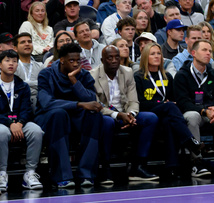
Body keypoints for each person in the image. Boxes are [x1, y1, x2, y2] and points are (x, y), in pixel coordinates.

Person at [36, 42, 105, 188]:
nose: (75, 64)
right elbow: (46, 103)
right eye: (71, 61)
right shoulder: (46, 74)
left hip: (75, 117)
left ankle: (86, 174)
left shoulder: (84, 75)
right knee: (59, 114)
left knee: (94, 115)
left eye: (78, 61)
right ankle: (62, 176)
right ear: (61, 60)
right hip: (50, 117)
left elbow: (91, 100)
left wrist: (74, 81)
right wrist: (78, 104)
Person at [172, 38, 214, 177]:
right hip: (196, 113)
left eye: (210, 51)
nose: (208, 53)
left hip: (213, 113)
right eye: (204, 50)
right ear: (193, 53)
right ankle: (196, 162)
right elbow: (183, 102)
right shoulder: (182, 75)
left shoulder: (213, 74)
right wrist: (204, 111)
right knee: (191, 116)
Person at [91, 45, 161, 182]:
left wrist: (131, 115)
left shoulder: (127, 72)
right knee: (107, 122)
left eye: (117, 57)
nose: (114, 60)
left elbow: (134, 101)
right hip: (107, 115)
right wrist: (117, 115)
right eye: (109, 57)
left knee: (150, 118)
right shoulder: (93, 75)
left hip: (126, 114)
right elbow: (97, 105)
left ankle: (138, 166)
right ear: (102, 60)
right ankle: (105, 168)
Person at [133, 44, 204, 176]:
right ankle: (190, 140)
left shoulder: (167, 77)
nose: (156, 57)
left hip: (166, 114)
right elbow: (140, 103)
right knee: (170, 107)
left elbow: (173, 99)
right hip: (148, 113)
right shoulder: (138, 77)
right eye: (152, 54)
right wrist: (162, 104)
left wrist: (167, 104)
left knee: (169, 121)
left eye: (158, 54)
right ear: (145, 57)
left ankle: (172, 167)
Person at [0, 49, 45, 192]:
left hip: (20, 122)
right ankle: (1, 174)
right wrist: (10, 124)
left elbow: (26, 110)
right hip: (3, 123)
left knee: (36, 131)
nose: (11, 64)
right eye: (7, 61)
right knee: (1, 133)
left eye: (14, 61)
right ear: (0, 65)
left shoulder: (22, 85)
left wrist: (19, 123)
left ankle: (30, 173)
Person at [14, 33, 44, 106]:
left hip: (39, 101)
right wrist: (35, 83)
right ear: (15, 48)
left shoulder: (40, 66)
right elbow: (14, 86)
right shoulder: (12, 66)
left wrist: (25, 83)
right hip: (18, 101)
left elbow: (44, 86)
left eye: (29, 42)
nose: (27, 44)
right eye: (23, 42)